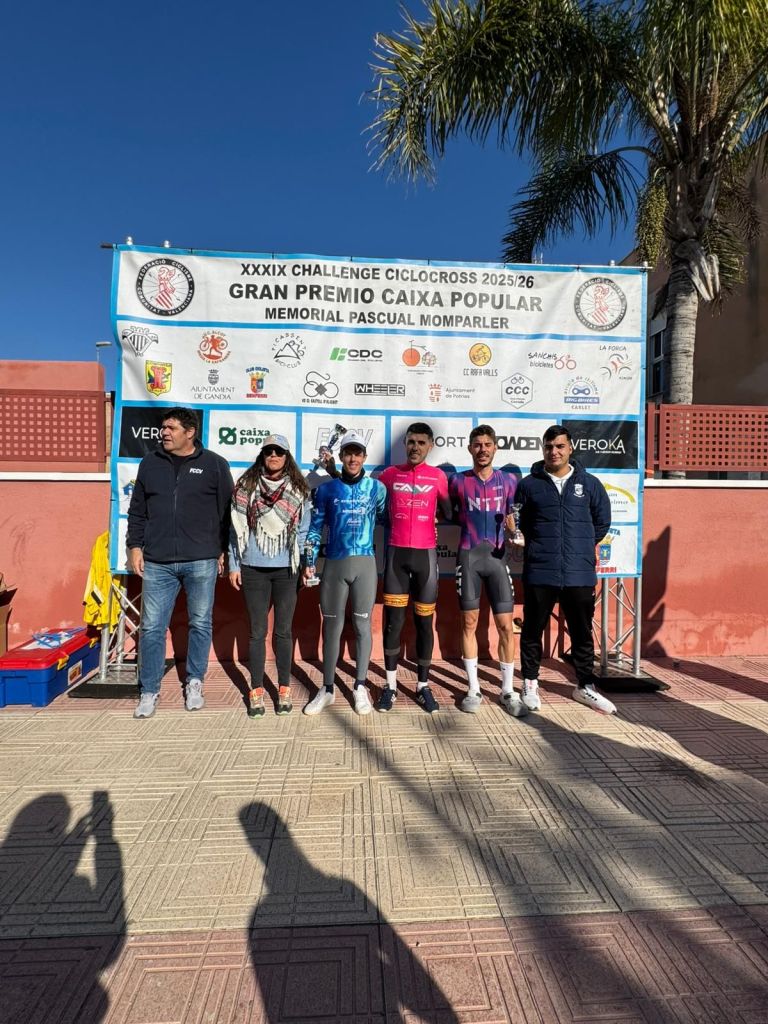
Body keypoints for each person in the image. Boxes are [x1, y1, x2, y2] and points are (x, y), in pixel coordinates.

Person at [127, 407, 233, 718]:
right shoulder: (149, 463)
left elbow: (227, 513)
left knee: (200, 622)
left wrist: (223, 550)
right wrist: (134, 546)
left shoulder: (214, 464)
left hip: (201, 559)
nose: (164, 433)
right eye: (163, 427)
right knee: (151, 627)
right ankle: (149, 690)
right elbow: (137, 511)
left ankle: (195, 681)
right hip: (157, 561)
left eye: (171, 428)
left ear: (190, 432)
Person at [515, 424, 616, 714]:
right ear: (543, 449)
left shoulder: (590, 484)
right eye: (549, 447)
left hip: (578, 572)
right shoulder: (528, 485)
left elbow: (602, 523)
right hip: (541, 570)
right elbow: (521, 524)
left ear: (571, 448)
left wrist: (579, 546)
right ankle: (530, 682)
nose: (554, 452)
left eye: (560, 446)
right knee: (532, 630)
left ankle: (585, 686)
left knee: (582, 632)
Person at [302, 432, 387, 715]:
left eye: (358, 453)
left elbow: (387, 520)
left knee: (363, 625)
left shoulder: (376, 488)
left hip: (365, 564)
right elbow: (315, 528)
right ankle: (327, 688)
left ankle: (360, 686)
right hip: (335, 566)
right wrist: (309, 560)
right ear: (341, 457)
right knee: (331, 628)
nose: (353, 458)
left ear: (364, 457)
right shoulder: (326, 490)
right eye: (348, 453)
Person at [229, 435, 312, 719]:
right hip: (253, 567)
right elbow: (235, 530)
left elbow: (303, 532)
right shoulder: (245, 487)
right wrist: (234, 565)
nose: (273, 455)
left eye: (279, 451)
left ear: (287, 457)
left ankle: (284, 688)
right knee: (257, 632)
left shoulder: (299, 490)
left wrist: (304, 564)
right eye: (269, 451)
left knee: (283, 631)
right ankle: (256, 689)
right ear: (262, 455)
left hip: (286, 569)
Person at [449, 424, 526, 717]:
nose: (482, 450)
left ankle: (508, 690)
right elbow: (447, 512)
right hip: (468, 557)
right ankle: (473, 689)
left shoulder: (509, 481)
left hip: (497, 560)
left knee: (506, 626)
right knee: (468, 623)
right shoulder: (458, 481)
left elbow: (514, 518)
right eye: (477, 445)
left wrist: (515, 533)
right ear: (470, 448)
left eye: (487, 444)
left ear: (495, 447)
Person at [377, 422, 450, 713]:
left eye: (421, 442)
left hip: (426, 558)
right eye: (410, 442)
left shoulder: (438, 477)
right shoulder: (389, 475)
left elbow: (449, 512)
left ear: (430, 445)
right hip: (396, 555)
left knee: (424, 623)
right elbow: (372, 504)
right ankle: (390, 686)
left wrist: (435, 519)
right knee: (393, 623)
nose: (415, 447)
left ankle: (423, 686)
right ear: (404, 444)